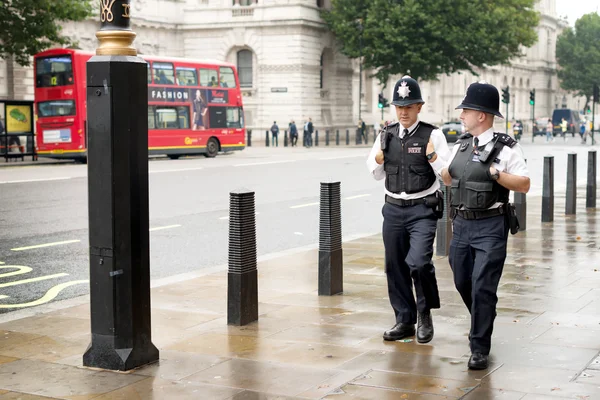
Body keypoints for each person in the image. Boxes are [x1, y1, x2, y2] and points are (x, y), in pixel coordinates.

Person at [439, 81, 530, 370]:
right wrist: (437, 165)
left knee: (482, 287)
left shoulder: (507, 148)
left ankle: (479, 347)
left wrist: (495, 173)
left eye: (466, 110)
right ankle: (484, 314)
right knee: (461, 280)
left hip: (491, 224)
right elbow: (449, 177)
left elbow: (524, 184)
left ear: (481, 114)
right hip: (462, 223)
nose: (461, 114)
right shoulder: (461, 144)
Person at [366, 76, 451, 344]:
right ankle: (404, 319)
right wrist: (379, 157)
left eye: (409, 106)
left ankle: (424, 314)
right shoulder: (385, 135)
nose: (403, 111)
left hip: (422, 210)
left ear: (419, 107)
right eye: (399, 106)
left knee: (419, 262)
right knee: (394, 266)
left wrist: (432, 157)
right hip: (392, 209)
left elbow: (448, 176)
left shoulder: (433, 135)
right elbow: (375, 172)